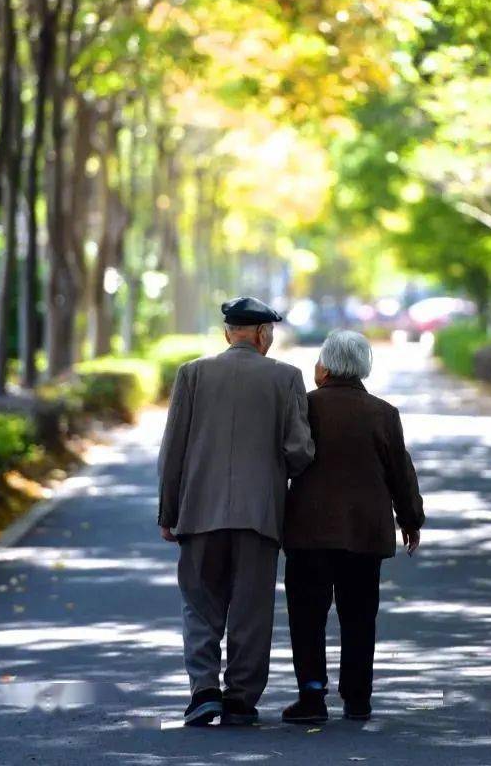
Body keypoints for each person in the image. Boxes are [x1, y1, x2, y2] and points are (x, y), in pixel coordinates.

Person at [157, 296, 314, 727]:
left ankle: (203, 690)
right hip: (259, 515)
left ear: (229, 333)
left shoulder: (192, 374)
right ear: (264, 335)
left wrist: (167, 512)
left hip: (198, 512)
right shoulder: (285, 377)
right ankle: (241, 698)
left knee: (200, 604)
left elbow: (173, 451)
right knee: (251, 608)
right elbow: (299, 451)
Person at [282, 329, 425, 725]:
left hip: (308, 531)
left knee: (307, 615)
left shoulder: (304, 408)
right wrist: (410, 519)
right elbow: (401, 472)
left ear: (324, 366)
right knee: (360, 616)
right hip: (365, 532)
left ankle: (312, 697)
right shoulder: (383, 413)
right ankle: (357, 697)